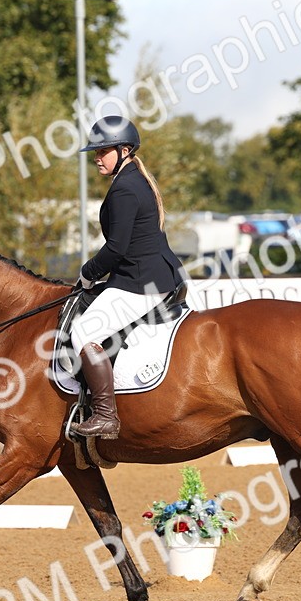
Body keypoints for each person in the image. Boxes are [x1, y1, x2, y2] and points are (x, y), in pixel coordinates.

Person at [68, 115, 185, 439]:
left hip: (141, 281)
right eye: (95, 151)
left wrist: (87, 273)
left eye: (102, 151)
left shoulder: (125, 189)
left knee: (82, 332)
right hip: (151, 274)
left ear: (123, 149)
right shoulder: (135, 180)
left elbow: (116, 249)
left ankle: (106, 416)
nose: (96, 158)